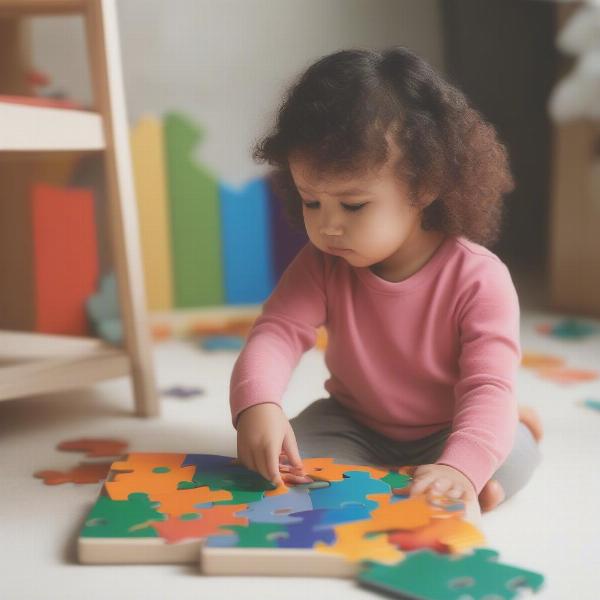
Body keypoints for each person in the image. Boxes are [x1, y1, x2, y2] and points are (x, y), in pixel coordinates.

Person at [230, 47, 542, 523]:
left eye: (353, 206)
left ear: (424, 186)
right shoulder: (321, 263)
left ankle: (476, 472)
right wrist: (258, 403)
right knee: (289, 462)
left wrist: (461, 466)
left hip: (448, 424)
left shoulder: (479, 278)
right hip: (354, 421)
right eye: (311, 202)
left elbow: (487, 386)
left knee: (509, 451)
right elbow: (276, 332)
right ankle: (442, 483)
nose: (327, 226)